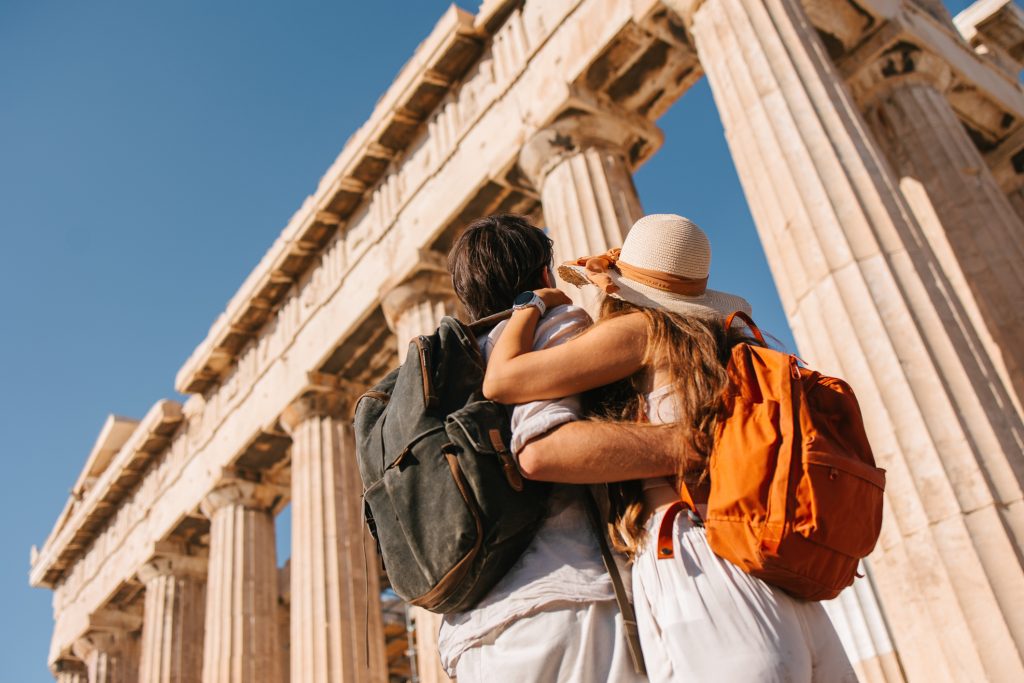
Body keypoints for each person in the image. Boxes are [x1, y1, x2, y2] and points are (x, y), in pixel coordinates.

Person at [482, 214, 857, 683]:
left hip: (705, 565)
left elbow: (502, 381)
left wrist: (530, 304)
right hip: (780, 571)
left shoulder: (645, 329)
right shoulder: (728, 340)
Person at [438, 214, 685, 683]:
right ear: (545, 275)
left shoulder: (454, 367)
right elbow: (541, 445)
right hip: (566, 603)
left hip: (470, 635)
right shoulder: (549, 324)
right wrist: (698, 443)